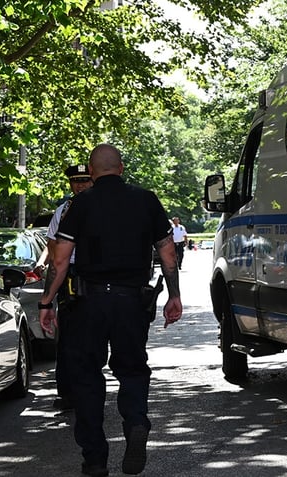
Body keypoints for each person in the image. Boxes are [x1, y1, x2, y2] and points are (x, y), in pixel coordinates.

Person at [38, 144, 182, 477]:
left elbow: (60, 260)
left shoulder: (80, 204)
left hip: (88, 303)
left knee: (87, 375)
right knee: (133, 369)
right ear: (121, 167)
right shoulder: (146, 200)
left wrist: (46, 302)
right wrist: (174, 295)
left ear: (91, 170)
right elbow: (168, 253)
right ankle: (136, 422)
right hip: (131, 301)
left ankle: (95, 458)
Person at [40, 164, 93, 411]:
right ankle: (67, 392)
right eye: (76, 181)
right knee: (68, 338)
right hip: (70, 276)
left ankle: (91, 389)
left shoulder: (103, 206)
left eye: (85, 180)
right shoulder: (63, 211)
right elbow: (54, 252)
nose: (80, 185)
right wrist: (49, 296)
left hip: (99, 276)